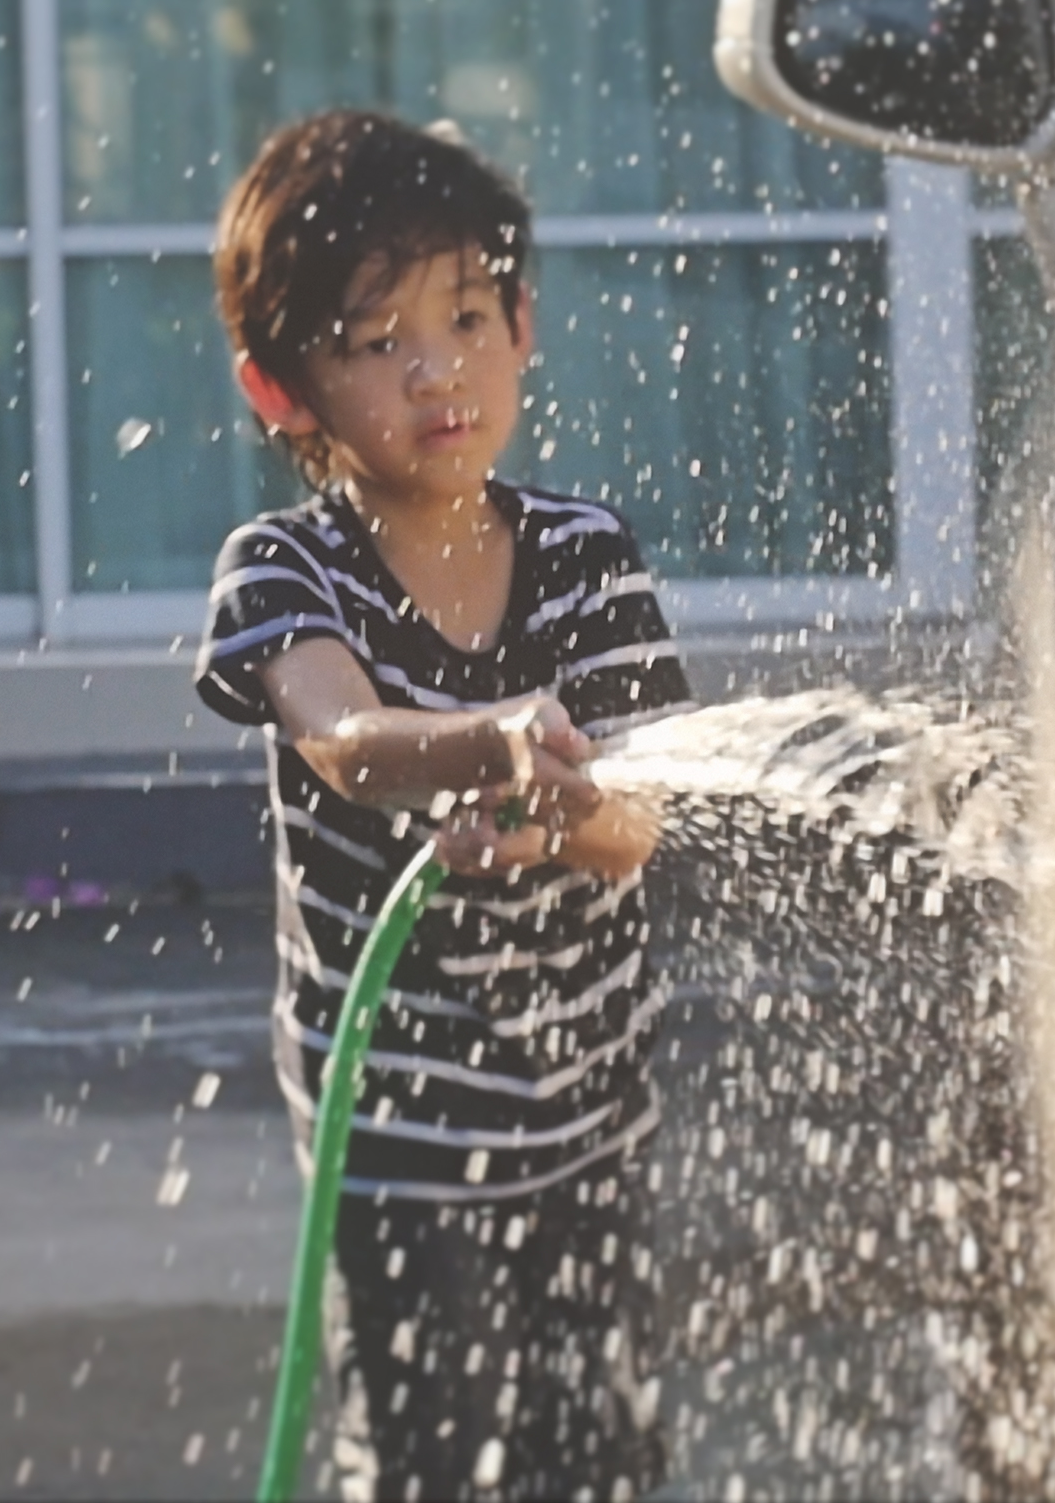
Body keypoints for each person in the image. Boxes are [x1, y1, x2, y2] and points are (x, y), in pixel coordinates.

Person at [193, 110, 692, 1502]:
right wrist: (487, 744)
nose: (435, 370)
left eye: (467, 317)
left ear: (522, 324)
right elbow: (347, 742)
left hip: (590, 1112)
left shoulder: (586, 555)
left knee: (597, 1460)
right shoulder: (284, 569)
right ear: (280, 388)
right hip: (397, 1133)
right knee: (430, 1457)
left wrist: (555, 819)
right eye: (374, 342)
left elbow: (641, 822)